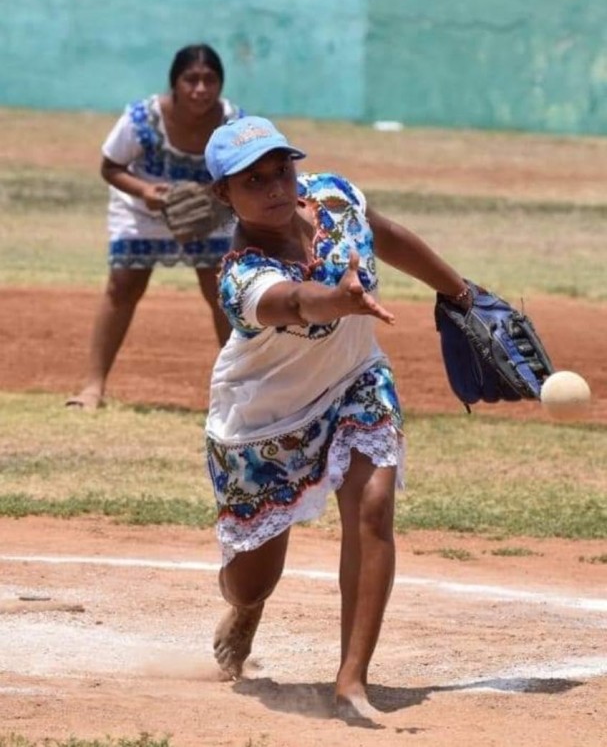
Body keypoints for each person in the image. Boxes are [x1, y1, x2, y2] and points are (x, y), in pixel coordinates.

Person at [202, 116, 473, 719]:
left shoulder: (333, 198)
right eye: (254, 180)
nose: (276, 186)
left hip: (355, 382)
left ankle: (351, 682)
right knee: (252, 580)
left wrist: (461, 292)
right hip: (262, 421)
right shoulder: (241, 274)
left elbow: (385, 235)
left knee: (373, 505)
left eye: (282, 170)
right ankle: (246, 608)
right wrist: (340, 299)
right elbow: (296, 300)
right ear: (223, 194)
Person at [66, 43, 244, 410]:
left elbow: (246, 174)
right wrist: (146, 190)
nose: (200, 88)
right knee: (123, 286)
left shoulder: (233, 122)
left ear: (221, 84)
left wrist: (215, 201)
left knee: (222, 294)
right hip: (141, 207)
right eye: (190, 79)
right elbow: (110, 167)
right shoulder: (142, 119)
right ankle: (92, 387)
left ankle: (239, 393)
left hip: (207, 212)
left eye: (210, 79)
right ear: (174, 83)